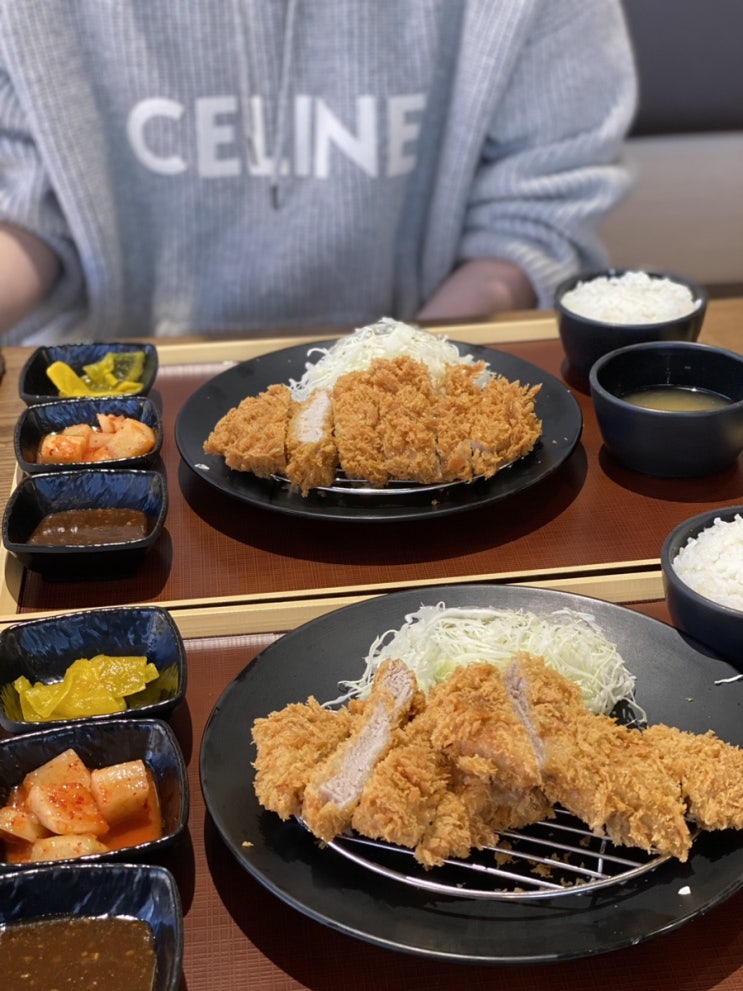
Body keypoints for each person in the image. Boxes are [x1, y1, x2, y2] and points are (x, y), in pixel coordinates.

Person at [0, 0, 637, 344]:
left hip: (435, 350)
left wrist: (399, 366)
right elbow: (26, 206)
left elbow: (535, 207)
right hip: (111, 390)